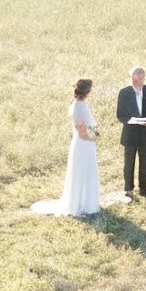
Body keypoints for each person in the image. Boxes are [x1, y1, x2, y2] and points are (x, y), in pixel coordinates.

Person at [32, 79, 104, 217]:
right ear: (87, 91)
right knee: (84, 172)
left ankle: (85, 202)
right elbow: (81, 130)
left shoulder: (79, 104)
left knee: (85, 172)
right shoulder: (79, 106)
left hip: (84, 144)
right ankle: (82, 204)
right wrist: (93, 138)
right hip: (83, 144)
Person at [116, 66, 146, 198]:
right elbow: (120, 115)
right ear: (131, 77)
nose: (138, 79)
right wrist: (133, 121)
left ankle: (144, 189)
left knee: (145, 163)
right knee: (129, 163)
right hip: (130, 134)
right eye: (136, 77)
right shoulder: (124, 92)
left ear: (144, 77)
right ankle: (128, 188)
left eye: (141, 77)